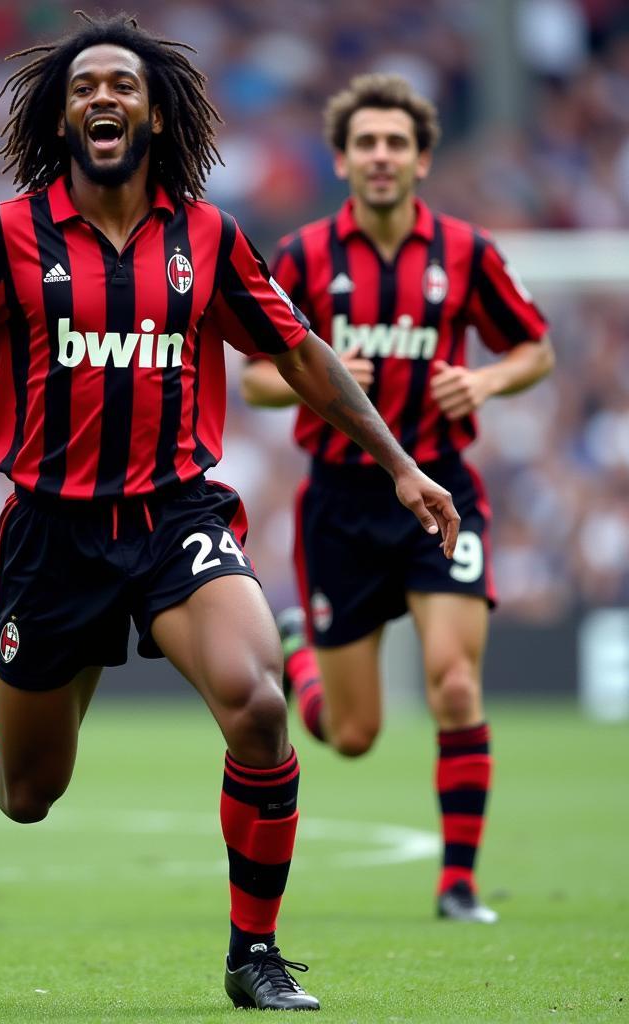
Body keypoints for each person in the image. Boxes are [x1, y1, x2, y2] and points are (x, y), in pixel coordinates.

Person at [0, 16, 459, 1011]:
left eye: (123, 85)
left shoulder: (210, 237)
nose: (103, 96)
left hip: (176, 515)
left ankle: (253, 955)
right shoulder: (5, 235)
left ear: (154, 109)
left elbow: (302, 352)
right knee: (26, 794)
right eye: (84, 84)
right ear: (63, 114)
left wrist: (396, 463)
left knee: (259, 704)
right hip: (52, 533)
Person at [240, 73, 555, 924]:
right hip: (340, 505)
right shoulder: (303, 256)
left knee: (456, 684)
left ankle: (458, 883)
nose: (381, 156)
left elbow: (536, 350)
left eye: (397, 143)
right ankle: (301, 651)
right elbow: (257, 376)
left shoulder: (467, 252)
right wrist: (324, 385)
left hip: (441, 493)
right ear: (342, 160)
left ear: (421, 159)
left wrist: (485, 378)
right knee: (351, 736)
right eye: (366, 143)